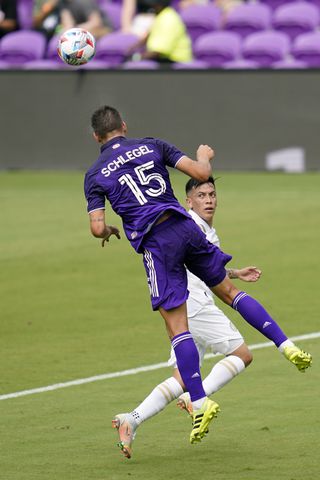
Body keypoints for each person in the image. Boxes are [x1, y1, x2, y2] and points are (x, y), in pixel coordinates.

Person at [84, 106, 312, 448]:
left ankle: (200, 402)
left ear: (95, 137)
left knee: (178, 327)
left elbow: (97, 227)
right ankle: (286, 344)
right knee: (231, 292)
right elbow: (201, 171)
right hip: (184, 226)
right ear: (124, 127)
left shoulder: (94, 173)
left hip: (156, 242)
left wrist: (109, 231)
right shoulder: (152, 145)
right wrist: (204, 156)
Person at [110, 177, 312, 458]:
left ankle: (130, 419)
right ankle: (197, 399)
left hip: (186, 303)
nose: (209, 200)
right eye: (201, 195)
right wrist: (203, 160)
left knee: (182, 376)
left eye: (213, 194)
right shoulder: (187, 225)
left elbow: (204, 266)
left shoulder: (201, 228)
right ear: (188, 202)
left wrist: (235, 272)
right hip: (193, 305)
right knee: (242, 355)